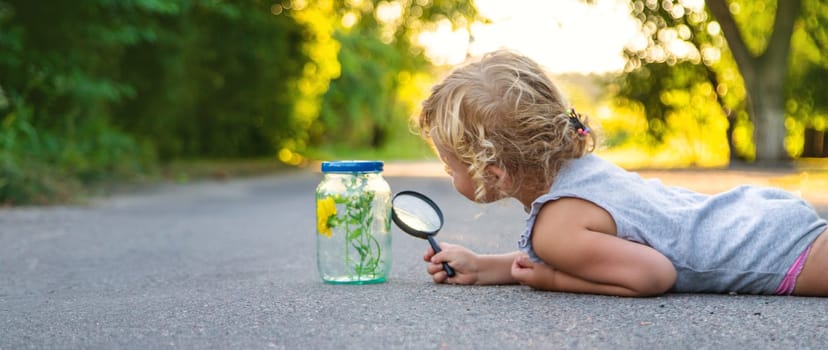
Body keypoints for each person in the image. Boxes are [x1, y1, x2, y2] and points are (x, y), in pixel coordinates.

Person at [416, 50, 828, 297]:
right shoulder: (579, 172)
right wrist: (486, 266)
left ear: (495, 173)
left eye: (449, 166)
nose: (448, 173)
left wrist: (554, 281)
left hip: (780, 254)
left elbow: (653, 275)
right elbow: (589, 256)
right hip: (757, 215)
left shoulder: (556, 229)